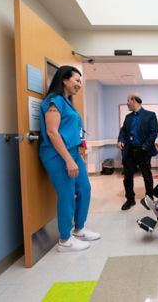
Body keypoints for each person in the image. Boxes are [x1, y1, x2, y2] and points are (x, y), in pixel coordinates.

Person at [39, 65, 100, 252]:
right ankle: (65, 240)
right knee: (66, 194)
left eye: (80, 81)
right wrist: (68, 160)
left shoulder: (67, 103)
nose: (79, 85)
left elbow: (75, 128)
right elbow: (52, 132)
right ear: (64, 80)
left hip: (72, 153)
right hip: (57, 155)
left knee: (85, 188)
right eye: (77, 80)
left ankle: (79, 228)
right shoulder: (54, 101)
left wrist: (79, 149)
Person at [118, 94, 158, 210]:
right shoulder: (128, 117)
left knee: (147, 176)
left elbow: (153, 132)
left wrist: (145, 147)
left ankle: (149, 199)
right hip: (129, 150)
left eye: (128, 100)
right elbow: (123, 131)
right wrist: (120, 139)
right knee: (128, 177)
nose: (127, 103)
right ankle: (130, 200)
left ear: (134, 100)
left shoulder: (150, 115)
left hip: (143, 150)